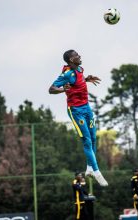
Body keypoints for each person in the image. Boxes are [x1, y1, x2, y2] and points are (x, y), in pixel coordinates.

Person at [49, 49, 108, 186]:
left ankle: (89, 169)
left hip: (87, 108)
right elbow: (51, 89)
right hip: (76, 110)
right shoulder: (67, 74)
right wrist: (63, 89)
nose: (79, 56)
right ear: (71, 60)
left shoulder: (80, 69)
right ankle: (97, 172)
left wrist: (86, 79)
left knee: (93, 138)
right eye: (76, 55)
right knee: (86, 140)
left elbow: (78, 82)